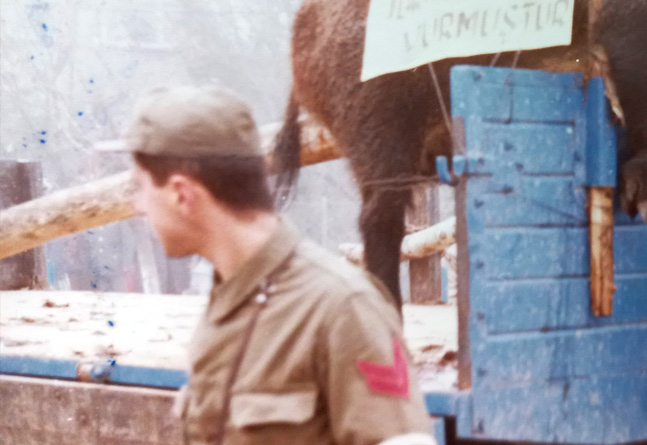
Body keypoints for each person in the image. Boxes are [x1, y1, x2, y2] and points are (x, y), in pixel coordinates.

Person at [101, 85, 435, 445]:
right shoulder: (227, 302)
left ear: (182, 194)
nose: (138, 206)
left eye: (140, 187)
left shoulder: (343, 308)